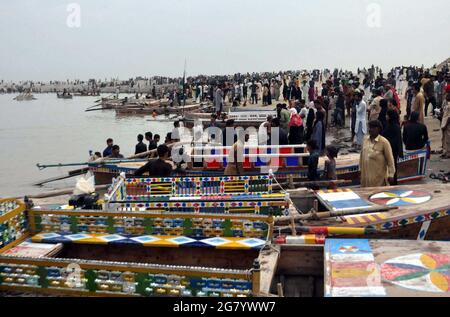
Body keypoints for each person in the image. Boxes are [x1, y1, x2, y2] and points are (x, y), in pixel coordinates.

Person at [360, 120, 396, 187]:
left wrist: (391, 175)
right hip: (366, 179)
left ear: (378, 129)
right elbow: (362, 156)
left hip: (379, 180)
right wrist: (360, 169)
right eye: (370, 127)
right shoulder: (365, 140)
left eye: (373, 128)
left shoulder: (384, 142)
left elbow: (390, 160)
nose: (370, 129)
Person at [382, 109, 404, 185]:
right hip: (388, 150)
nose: (386, 116)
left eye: (387, 115)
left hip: (393, 150)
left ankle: (393, 182)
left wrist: (400, 152)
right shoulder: (389, 125)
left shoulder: (394, 126)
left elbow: (399, 140)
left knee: (392, 167)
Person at [441, 92, 450, 159]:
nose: (445, 97)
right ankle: (445, 152)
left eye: (447, 96)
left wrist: (445, 125)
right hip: (444, 124)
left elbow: (449, 117)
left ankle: (448, 153)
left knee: (447, 139)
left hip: (447, 125)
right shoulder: (446, 104)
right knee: (444, 139)